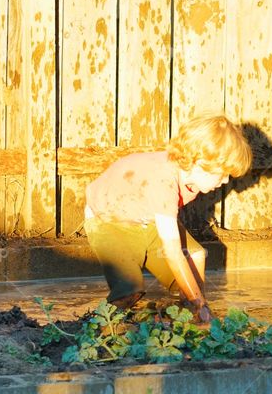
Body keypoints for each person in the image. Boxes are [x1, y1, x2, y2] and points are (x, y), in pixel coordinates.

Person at [84, 113, 252, 323]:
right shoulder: (163, 180)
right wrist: (198, 302)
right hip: (109, 222)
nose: (225, 180)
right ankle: (98, 325)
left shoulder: (191, 176)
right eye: (222, 173)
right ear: (198, 162)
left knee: (195, 255)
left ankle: (189, 314)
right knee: (130, 290)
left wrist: (195, 298)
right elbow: (172, 253)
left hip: (146, 221)